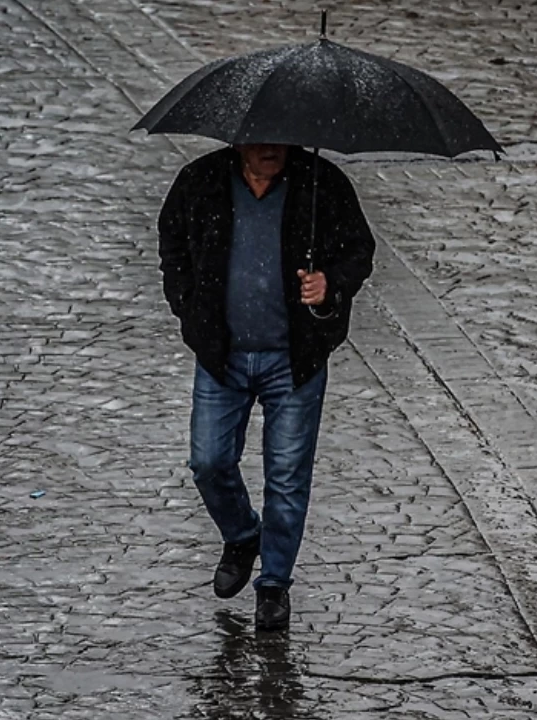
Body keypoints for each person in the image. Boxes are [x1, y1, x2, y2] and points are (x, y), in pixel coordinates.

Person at [156, 143, 375, 631]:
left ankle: (274, 584)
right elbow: (172, 247)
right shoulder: (201, 181)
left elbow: (359, 251)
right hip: (222, 357)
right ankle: (241, 535)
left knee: (287, 477)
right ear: (238, 140)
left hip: (293, 360)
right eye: (259, 137)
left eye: (279, 137)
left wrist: (330, 283)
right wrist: (190, 312)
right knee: (209, 460)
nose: (270, 148)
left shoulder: (322, 184)